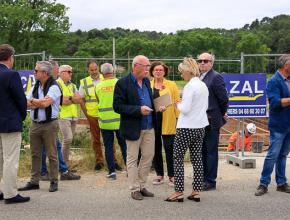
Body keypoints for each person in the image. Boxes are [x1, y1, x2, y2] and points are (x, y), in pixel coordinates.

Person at [165, 57, 208, 203]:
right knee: (197, 159)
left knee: (177, 158)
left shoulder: (190, 86)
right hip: (200, 126)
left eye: (182, 72)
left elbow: (186, 109)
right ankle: (196, 191)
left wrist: (178, 104)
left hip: (186, 127)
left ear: (188, 71)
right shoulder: (203, 85)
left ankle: (178, 191)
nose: (181, 75)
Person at [113, 55, 156, 201]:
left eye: (148, 66)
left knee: (148, 156)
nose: (148, 69)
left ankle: (142, 185)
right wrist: (138, 110)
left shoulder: (146, 82)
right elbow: (117, 107)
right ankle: (134, 189)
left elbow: (150, 101)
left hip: (149, 126)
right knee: (132, 159)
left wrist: (158, 108)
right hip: (133, 127)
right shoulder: (122, 83)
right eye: (146, 66)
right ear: (136, 66)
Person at [19, 61, 62, 192]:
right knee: (35, 154)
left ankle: (54, 181)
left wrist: (33, 101)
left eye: (36, 71)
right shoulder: (36, 86)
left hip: (49, 124)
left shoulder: (54, 87)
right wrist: (37, 102)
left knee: (52, 154)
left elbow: (45, 104)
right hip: (35, 124)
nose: (34, 72)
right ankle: (34, 181)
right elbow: (26, 103)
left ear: (44, 73)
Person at [255, 54, 290, 196]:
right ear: (285, 65)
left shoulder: (288, 80)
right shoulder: (274, 81)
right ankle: (263, 184)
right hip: (278, 125)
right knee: (273, 155)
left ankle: (281, 183)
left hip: (288, 124)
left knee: (283, 155)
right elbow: (275, 103)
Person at [0, 44, 30, 204]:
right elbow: (20, 99)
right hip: (10, 122)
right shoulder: (11, 75)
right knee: (10, 159)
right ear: (10, 57)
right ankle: (10, 194)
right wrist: (22, 115)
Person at [41, 61, 80, 181]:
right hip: (62, 116)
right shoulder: (57, 84)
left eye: (71, 72)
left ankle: (64, 167)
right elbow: (63, 101)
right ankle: (62, 168)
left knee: (63, 142)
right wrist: (70, 99)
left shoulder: (72, 85)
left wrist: (70, 99)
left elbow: (78, 99)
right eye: (68, 72)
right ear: (61, 73)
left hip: (73, 116)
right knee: (67, 139)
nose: (71, 74)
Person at [79, 60, 121, 171]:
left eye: (95, 69)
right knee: (96, 140)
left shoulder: (106, 78)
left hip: (106, 115)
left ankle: (113, 161)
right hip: (93, 114)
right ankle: (99, 161)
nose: (94, 72)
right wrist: (87, 114)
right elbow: (81, 100)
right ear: (88, 70)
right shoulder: (84, 82)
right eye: (91, 70)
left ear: (98, 68)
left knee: (110, 140)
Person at [198, 52, 228, 191]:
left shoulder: (215, 77)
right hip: (200, 120)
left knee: (210, 151)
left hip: (211, 120)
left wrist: (220, 114)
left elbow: (223, 98)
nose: (202, 63)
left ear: (212, 63)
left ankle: (210, 181)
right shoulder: (199, 77)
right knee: (202, 150)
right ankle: (203, 178)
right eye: (200, 61)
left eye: (206, 61)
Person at [149, 61, 180, 187]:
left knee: (169, 148)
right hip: (153, 120)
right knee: (155, 149)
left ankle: (172, 176)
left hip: (168, 120)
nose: (158, 72)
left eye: (160, 70)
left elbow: (177, 102)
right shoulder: (147, 85)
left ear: (165, 72)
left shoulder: (171, 84)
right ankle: (159, 175)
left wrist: (178, 118)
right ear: (152, 71)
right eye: (156, 70)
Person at [95, 63, 127, 180]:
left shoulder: (98, 86)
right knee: (124, 145)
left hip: (105, 121)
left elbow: (98, 100)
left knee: (108, 146)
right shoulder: (120, 83)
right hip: (120, 120)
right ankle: (130, 169)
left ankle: (112, 172)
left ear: (102, 73)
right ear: (113, 71)